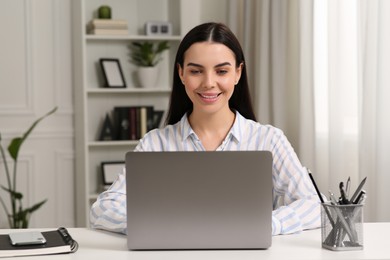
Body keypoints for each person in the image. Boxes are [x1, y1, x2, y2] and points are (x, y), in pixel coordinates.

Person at [90, 22, 321, 235]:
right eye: (196, 71)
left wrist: (266, 224)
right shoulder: (155, 143)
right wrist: (155, 223)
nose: (209, 83)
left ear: (238, 73)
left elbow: (314, 205)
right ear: (181, 73)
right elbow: (103, 209)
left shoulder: (268, 139)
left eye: (221, 71)